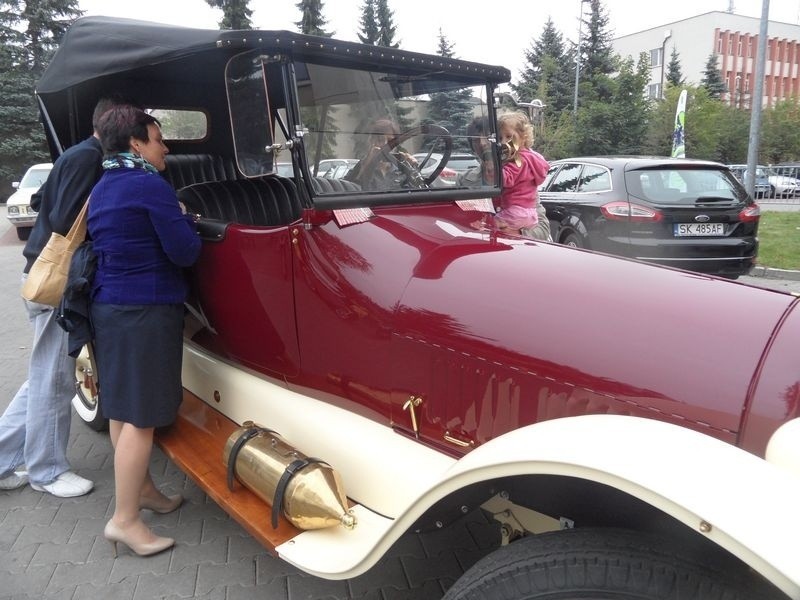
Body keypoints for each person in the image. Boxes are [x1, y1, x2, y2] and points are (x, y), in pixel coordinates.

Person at [0, 96, 129, 497]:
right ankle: (47, 471)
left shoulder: (76, 154)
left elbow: (41, 202)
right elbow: (63, 219)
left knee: (41, 376)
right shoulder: (90, 159)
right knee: (54, 380)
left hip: (42, 274)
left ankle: (3, 460)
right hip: (56, 281)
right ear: (112, 123)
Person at [89, 105, 201, 556]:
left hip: (110, 307)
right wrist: (185, 219)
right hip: (145, 310)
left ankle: (145, 492)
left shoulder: (105, 185)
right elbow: (185, 252)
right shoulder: (148, 185)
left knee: (121, 410)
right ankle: (125, 520)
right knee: (141, 419)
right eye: (157, 138)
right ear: (136, 142)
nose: (165, 147)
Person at [465, 113, 551, 241]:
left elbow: (543, 228)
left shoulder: (519, 165)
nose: (483, 143)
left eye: (488, 138)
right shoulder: (465, 181)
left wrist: (517, 233)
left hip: (518, 246)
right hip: (482, 247)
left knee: (492, 223)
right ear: (471, 145)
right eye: (476, 139)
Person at [346, 118, 420, 190]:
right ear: (371, 141)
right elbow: (349, 193)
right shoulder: (360, 167)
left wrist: (414, 169)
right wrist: (367, 165)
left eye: (391, 141)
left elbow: (417, 195)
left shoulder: (401, 169)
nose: (385, 145)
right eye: (380, 140)